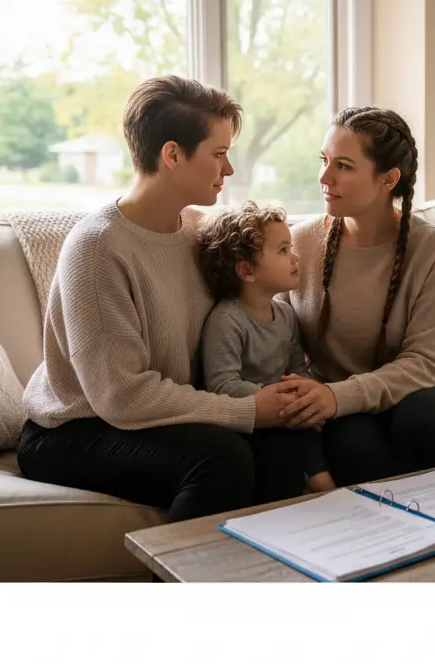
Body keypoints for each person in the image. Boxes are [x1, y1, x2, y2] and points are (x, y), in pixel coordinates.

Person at [16, 76, 305, 523]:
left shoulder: (198, 231)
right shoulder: (97, 249)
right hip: (73, 429)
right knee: (222, 457)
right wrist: (246, 410)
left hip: (154, 413)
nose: (228, 170)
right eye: (219, 154)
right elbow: (122, 396)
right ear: (172, 154)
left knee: (282, 446)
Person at [278, 106, 435, 487]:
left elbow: (423, 364)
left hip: (427, 386)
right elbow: (280, 343)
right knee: (352, 441)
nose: (324, 177)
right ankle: (397, 542)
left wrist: (339, 396)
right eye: (324, 160)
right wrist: (321, 397)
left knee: (421, 418)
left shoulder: (433, 247)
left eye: (344, 166)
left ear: (388, 179)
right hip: (339, 398)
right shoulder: (299, 243)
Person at [195, 200, 335, 495]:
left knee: (320, 427)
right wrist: (274, 399)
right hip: (252, 420)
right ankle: (320, 485)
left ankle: (319, 479)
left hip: (284, 411)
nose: (296, 258)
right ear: (247, 270)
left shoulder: (285, 313)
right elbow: (221, 384)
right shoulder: (226, 320)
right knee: (284, 444)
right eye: (283, 251)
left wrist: (302, 394)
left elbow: (297, 368)